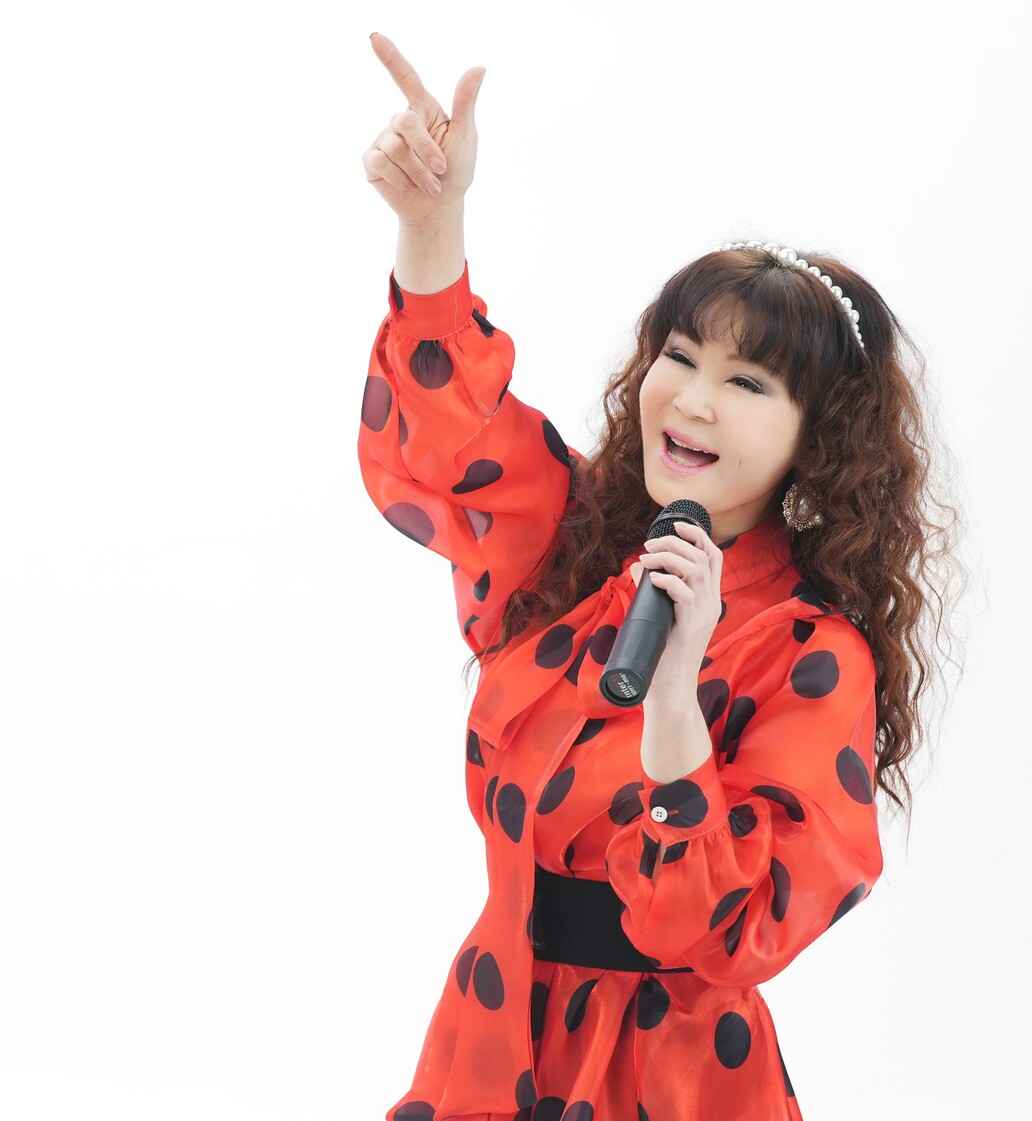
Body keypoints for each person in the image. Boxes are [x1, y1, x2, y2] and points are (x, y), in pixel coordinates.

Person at [357, 31, 960, 1121]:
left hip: (670, 1073)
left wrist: (675, 700)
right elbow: (448, 447)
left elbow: (730, 929)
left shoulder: (812, 654)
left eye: (747, 382)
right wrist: (430, 227)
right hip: (494, 1033)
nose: (692, 397)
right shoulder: (575, 541)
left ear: (816, 440)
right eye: (680, 356)